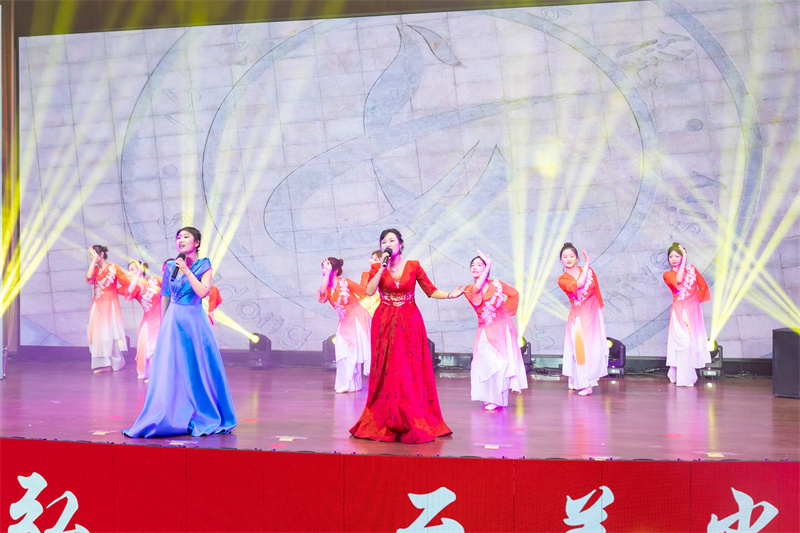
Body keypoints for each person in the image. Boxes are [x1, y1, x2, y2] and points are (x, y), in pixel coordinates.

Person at [350, 228, 463, 443]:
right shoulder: (377, 268)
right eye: (384, 242)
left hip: (410, 322)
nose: (387, 244)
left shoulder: (414, 266)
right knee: (387, 369)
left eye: (392, 240)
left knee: (408, 368)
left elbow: (430, 290)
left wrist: (450, 295)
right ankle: (385, 417)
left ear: (400, 244)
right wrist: (381, 269)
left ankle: (411, 417)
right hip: (385, 322)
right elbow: (369, 291)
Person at [124, 227, 237, 438]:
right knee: (172, 367)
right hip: (173, 319)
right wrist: (164, 323)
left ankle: (202, 411)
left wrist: (186, 270)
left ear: (196, 242)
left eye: (186, 237)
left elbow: (202, 292)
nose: (180, 240)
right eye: (178, 237)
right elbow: (165, 295)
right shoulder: (170, 266)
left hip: (194, 321)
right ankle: (173, 412)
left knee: (195, 367)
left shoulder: (204, 265)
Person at [462, 252, 528, 410]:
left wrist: (505, 311)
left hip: (502, 329)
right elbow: (477, 291)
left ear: (486, 269)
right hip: (485, 331)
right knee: (488, 363)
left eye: (479, 265)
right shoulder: (469, 289)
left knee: (501, 364)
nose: (475, 267)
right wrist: (487, 267)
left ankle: (497, 399)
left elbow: (514, 294)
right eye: (473, 265)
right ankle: (490, 397)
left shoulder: (497, 284)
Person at [557, 243, 608, 396]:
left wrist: (599, 314)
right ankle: (584, 383)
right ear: (561, 260)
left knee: (593, 349)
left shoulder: (590, 272)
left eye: (571, 256)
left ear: (577, 258)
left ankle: (588, 380)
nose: (568, 259)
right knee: (580, 350)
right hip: (578, 318)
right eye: (565, 257)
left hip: (593, 315)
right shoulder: (563, 279)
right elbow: (578, 284)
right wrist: (587, 263)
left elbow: (597, 292)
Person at [318, 257, 372, 393]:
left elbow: (363, 292)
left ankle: (350, 384)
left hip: (357, 317)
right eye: (323, 267)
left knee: (352, 353)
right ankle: (349, 384)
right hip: (344, 321)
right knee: (341, 352)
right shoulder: (327, 287)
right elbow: (322, 294)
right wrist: (327, 274)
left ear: (336, 270)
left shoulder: (345, 283)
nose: (324, 270)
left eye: (327, 267)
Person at [663, 242, 711, 387]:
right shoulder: (668, 275)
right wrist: (684, 258)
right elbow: (678, 280)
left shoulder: (692, 270)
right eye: (671, 256)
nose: (674, 259)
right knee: (684, 344)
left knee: (692, 344)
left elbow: (703, 286)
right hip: (678, 312)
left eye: (677, 256)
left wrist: (694, 302)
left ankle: (674, 372)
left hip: (692, 312)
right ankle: (684, 378)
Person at [85, 245, 130, 373]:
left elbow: (126, 284)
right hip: (98, 306)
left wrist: (115, 291)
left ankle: (117, 363)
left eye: (94, 255)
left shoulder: (114, 268)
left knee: (111, 334)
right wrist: (93, 261)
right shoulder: (94, 270)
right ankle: (104, 364)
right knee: (98, 335)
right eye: (90, 256)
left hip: (111, 306)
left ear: (102, 254)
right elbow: (89, 278)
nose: (92, 258)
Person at [124, 260, 162, 380]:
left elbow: (169, 290)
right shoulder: (135, 289)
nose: (129, 272)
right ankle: (153, 375)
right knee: (148, 347)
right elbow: (128, 293)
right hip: (148, 320)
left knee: (159, 346)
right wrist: (137, 275)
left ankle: (162, 374)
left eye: (132, 269)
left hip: (161, 317)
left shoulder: (154, 280)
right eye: (129, 270)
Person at [359, 250, 383, 316]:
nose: (371, 261)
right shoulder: (365, 275)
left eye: (375, 260)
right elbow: (363, 291)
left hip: (381, 309)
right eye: (371, 258)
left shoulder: (385, 277)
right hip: (367, 309)